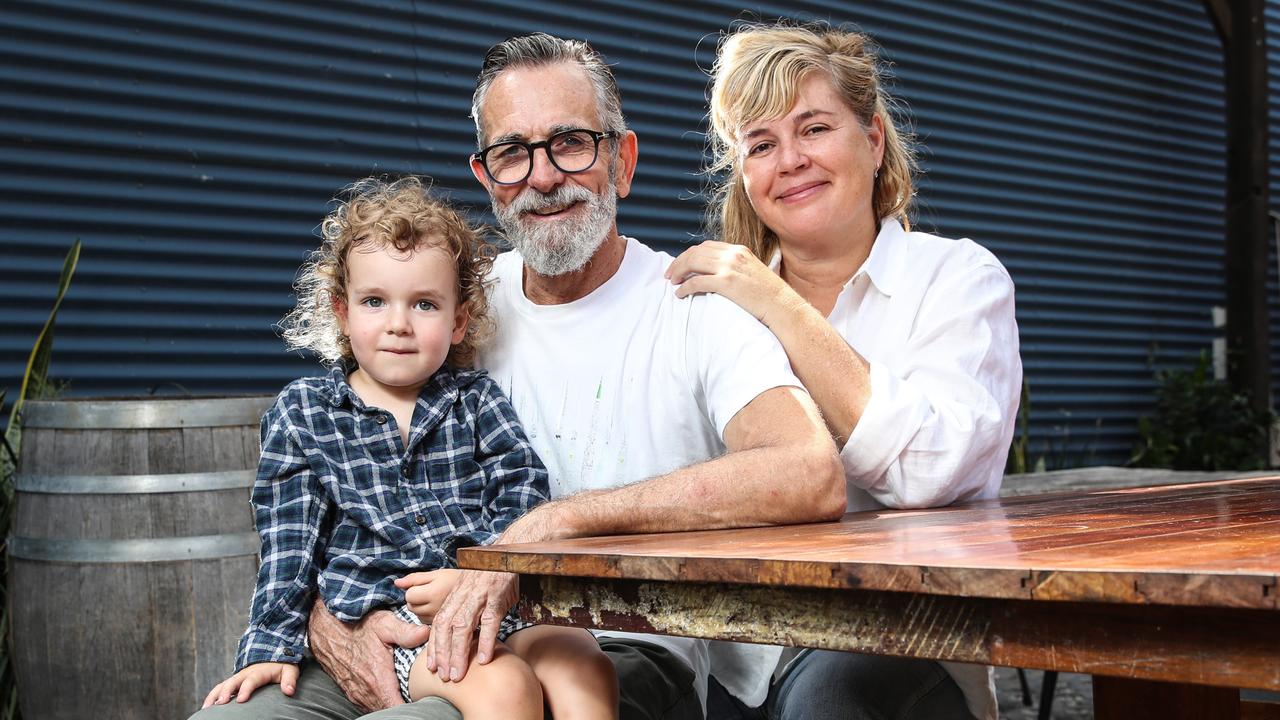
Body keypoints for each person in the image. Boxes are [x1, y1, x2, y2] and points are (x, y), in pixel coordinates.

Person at [289, 32, 845, 720]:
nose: (544, 176)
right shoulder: (449, 316)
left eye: (571, 143)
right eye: (513, 153)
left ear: (622, 160)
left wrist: (558, 524)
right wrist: (327, 618)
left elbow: (809, 470)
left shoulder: (693, 308)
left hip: (622, 647)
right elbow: (330, 469)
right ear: (486, 176)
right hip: (419, 631)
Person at [663, 22, 1022, 720]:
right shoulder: (713, 305)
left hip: (906, 640)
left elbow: (930, 471)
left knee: (827, 701)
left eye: (815, 128)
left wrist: (776, 301)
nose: (790, 160)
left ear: (875, 138)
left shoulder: (956, 278)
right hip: (744, 645)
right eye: (761, 144)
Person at [194, 177, 619, 720]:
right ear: (342, 312)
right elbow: (288, 547)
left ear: (458, 320)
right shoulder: (304, 413)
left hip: (499, 596)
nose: (398, 324)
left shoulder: (475, 399)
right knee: (504, 686)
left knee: (582, 663)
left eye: (424, 304)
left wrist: (477, 575)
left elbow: (524, 494)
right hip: (403, 620)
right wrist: (268, 649)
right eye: (375, 301)